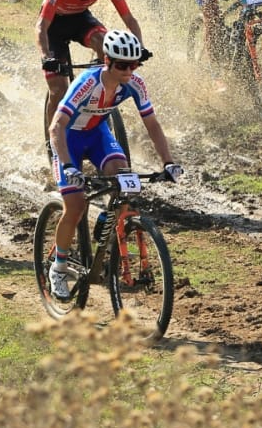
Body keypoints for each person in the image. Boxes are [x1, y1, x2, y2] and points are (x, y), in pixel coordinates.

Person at [44, 30, 183, 302]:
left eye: (134, 65)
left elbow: (152, 124)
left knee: (124, 178)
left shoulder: (135, 83)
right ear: (107, 60)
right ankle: (58, 268)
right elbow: (56, 126)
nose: (128, 71)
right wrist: (70, 167)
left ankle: (109, 220)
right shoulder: (86, 83)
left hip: (98, 136)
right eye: (122, 65)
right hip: (68, 139)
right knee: (75, 205)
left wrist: (169, 162)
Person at [36, 0, 144, 140]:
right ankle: (54, 142)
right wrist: (47, 57)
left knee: (107, 45)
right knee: (58, 90)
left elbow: (130, 20)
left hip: (81, 20)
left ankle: (100, 90)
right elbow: (42, 26)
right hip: (54, 27)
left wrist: (139, 48)